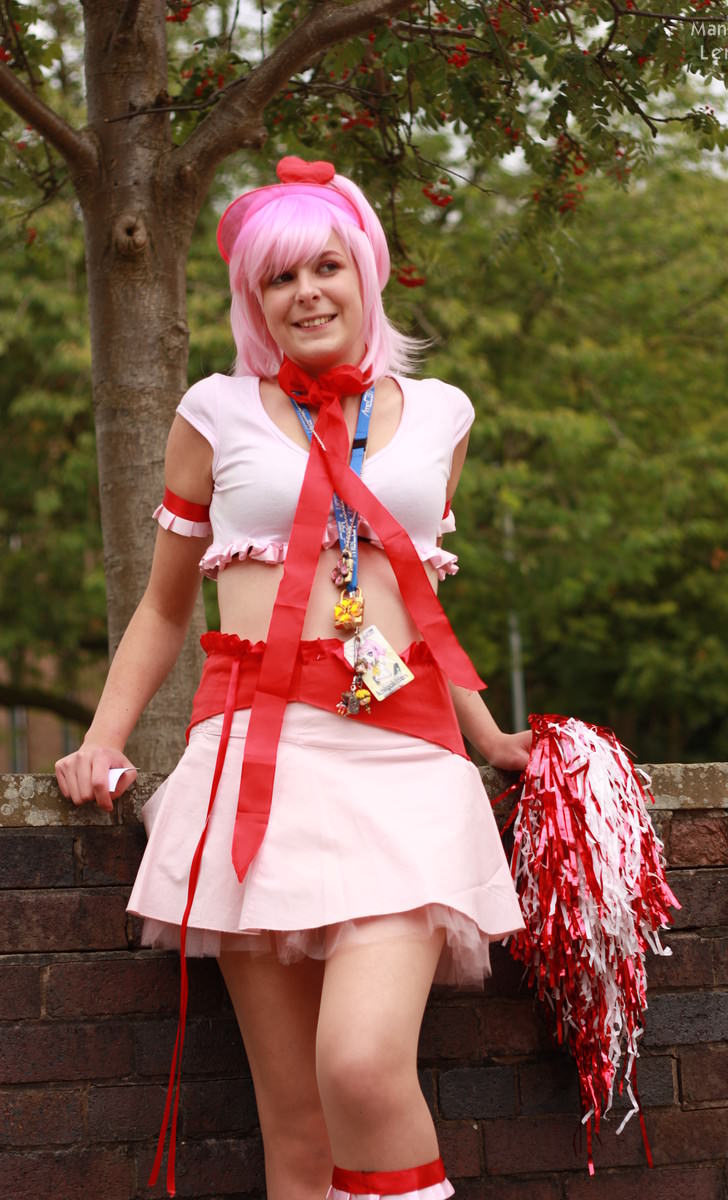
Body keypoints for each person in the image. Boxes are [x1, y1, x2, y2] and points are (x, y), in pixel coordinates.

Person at [55, 156, 530, 1200]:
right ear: (252, 298)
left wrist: (490, 737)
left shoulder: (441, 413)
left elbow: (415, 598)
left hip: (404, 763)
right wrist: (102, 738)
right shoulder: (213, 412)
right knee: (297, 1127)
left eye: (326, 266)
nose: (306, 292)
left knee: (360, 1065)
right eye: (279, 277)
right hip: (255, 766)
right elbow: (164, 607)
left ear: (365, 274)